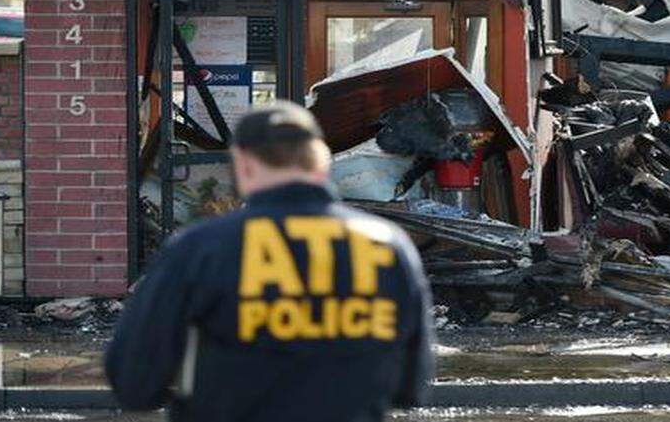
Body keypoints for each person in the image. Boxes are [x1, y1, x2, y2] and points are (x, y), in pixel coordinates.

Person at [106, 101, 434, 421]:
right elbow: (411, 386)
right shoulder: (388, 247)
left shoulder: (199, 249)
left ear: (244, 165)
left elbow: (135, 380)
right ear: (321, 166)